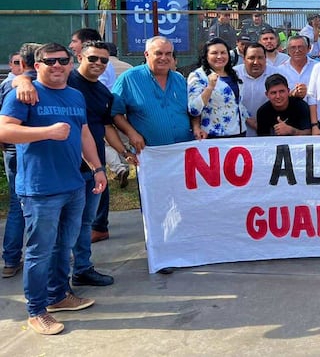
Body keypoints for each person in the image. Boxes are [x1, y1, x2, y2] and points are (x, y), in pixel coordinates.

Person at [0, 43, 106, 335]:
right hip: (40, 188)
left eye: (63, 60)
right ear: (38, 65)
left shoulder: (75, 95)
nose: (57, 66)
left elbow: (83, 132)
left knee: (64, 246)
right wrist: (46, 132)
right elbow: (4, 130)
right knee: (39, 251)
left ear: (71, 64)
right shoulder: (23, 93)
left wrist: (97, 168)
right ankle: (36, 310)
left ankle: (59, 296)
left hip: (73, 184)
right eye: (50, 61)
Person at [68, 41, 138, 287]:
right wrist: (20, 80)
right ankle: (53, 277)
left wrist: (124, 152)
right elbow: (27, 78)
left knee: (86, 220)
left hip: (93, 164)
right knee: (63, 221)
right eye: (93, 58)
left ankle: (83, 269)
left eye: (104, 60)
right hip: (64, 165)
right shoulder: (64, 81)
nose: (98, 63)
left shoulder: (103, 93)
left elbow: (107, 126)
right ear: (79, 58)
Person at [112, 36, 195, 150]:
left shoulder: (179, 79)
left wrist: (196, 127)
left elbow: (192, 110)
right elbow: (115, 113)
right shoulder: (129, 78)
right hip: (149, 154)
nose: (164, 58)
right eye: (158, 53)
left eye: (168, 54)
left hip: (183, 153)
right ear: (146, 54)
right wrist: (131, 133)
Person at [1, 43, 40, 279]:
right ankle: (16, 258)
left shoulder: (11, 84)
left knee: (18, 206)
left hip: (13, 151)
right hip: (24, 152)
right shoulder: (19, 86)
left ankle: (11, 260)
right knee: (28, 206)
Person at [187, 38, 249, 138]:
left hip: (239, 133)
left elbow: (237, 103)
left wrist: (250, 119)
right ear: (206, 56)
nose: (219, 56)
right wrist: (210, 87)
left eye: (223, 53)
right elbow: (194, 109)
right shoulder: (198, 76)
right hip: (214, 136)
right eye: (214, 53)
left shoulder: (234, 73)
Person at [234, 43, 276, 137]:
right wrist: (247, 118)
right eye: (251, 58)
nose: (256, 62)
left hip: (269, 133)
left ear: (266, 59)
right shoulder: (233, 75)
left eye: (260, 58)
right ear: (244, 59)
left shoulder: (277, 74)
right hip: (238, 132)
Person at [277, 35, 316, 102]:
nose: (297, 50)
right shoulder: (280, 70)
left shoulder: (317, 67)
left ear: (308, 48)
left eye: (300, 47)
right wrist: (292, 94)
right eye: (293, 47)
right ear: (288, 50)